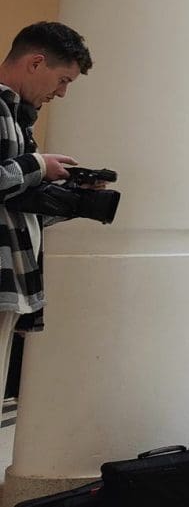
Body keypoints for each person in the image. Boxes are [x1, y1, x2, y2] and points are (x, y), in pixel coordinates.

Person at [0, 22, 95, 419]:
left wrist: (72, 201)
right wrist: (37, 164)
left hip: (12, 276)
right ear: (36, 63)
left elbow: (14, 204)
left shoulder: (18, 116)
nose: (60, 92)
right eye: (62, 80)